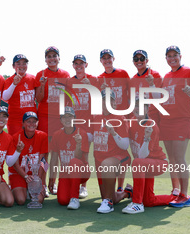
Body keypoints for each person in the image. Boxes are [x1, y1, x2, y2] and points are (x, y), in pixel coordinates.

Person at [122, 98, 177, 214]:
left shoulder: (152, 126)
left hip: (158, 163)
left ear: (147, 109)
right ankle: (175, 198)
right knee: (149, 201)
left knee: (137, 162)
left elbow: (142, 156)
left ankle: (137, 204)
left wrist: (147, 138)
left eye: (142, 106)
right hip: (145, 165)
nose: (138, 109)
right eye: (136, 106)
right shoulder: (131, 121)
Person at [159, 46, 190, 207]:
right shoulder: (166, 76)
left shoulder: (189, 72)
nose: (172, 58)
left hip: (182, 119)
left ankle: (185, 195)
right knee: (173, 159)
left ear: (180, 56)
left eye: (175, 55)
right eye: (169, 56)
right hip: (167, 121)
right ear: (166, 58)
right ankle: (176, 191)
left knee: (179, 158)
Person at [89, 90, 131, 213]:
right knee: (110, 196)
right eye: (103, 99)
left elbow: (125, 145)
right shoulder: (96, 117)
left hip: (118, 159)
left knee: (106, 165)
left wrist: (113, 132)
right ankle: (127, 193)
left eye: (109, 99)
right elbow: (91, 136)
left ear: (113, 102)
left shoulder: (120, 118)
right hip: (100, 162)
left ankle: (108, 203)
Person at [98, 49, 130, 192]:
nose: (107, 60)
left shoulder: (123, 74)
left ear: (113, 58)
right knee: (109, 149)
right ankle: (112, 186)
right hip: (108, 118)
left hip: (122, 117)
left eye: (108, 58)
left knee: (121, 149)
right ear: (101, 61)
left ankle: (120, 187)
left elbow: (131, 93)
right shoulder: (99, 78)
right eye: (104, 58)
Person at [67, 54, 99, 199]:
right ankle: (73, 182)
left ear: (86, 65)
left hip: (89, 124)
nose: (79, 66)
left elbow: (100, 101)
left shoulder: (93, 79)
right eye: (76, 63)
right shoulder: (69, 81)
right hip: (75, 124)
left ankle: (83, 186)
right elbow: (67, 102)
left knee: (85, 155)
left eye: (81, 63)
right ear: (73, 65)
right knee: (74, 154)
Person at [48, 107, 90, 210]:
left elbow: (79, 157)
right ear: (61, 120)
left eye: (70, 116)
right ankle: (71, 194)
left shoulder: (82, 133)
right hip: (66, 173)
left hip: (82, 171)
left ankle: (75, 198)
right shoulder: (57, 135)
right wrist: (51, 179)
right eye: (64, 117)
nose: (67, 119)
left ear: (74, 118)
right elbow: (53, 159)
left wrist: (79, 144)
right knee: (62, 200)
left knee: (74, 161)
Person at [9, 111, 48, 205]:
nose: (31, 124)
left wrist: (39, 181)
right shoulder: (15, 137)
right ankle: (17, 188)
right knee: (21, 200)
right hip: (19, 174)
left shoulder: (43, 136)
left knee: (39, 200)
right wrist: (25, 176)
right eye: (28, 121)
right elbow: (15, 164)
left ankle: (28, 190)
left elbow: (43, 161)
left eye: (34, 121)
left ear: (37, 123)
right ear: (23, 123)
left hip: (34, 174)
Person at [35, 46, 70, 138]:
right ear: (45, 60)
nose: (52, 58)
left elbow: (68, 97)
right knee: (44, 148)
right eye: (49, 56)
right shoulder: (40, 74)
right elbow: (38, 99)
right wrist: (42, 85)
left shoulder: (65, 75)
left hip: (60, 117)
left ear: (59, 58)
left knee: (58, 148)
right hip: (45, 117)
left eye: (54, 55)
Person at [2, 54, 37, 135]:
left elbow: (39, 97)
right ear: (13, 66)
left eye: (24, 63)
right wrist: (14, 84)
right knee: (16, 144)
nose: (22, 65)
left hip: (31, 120)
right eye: (18, 63)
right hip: (15, 120)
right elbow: (5, 97)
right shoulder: (9, 80)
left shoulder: (33, 78)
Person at [129, 50, 163, 126]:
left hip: (152, 116)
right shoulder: (132, 80)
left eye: (142, 58)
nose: (139, 61)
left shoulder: (155, 75)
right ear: (133, 61)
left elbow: (159, 99)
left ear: (146, 60)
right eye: (136, 59)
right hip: (137, 117)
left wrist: (151, 84)